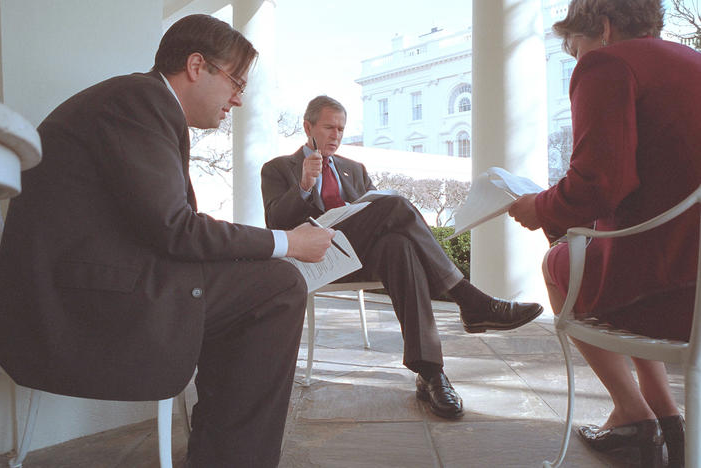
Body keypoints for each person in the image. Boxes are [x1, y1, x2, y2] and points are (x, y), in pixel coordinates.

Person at [0, 15, 336, 468]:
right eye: (235, 82)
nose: (237, 99)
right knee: (278, 285)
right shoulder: (140, 100)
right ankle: (233, 457)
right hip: (71, 307)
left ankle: (223, 447)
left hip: (84, 287)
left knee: (257, 283)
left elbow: (164, 226)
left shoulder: (137, 102)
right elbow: (177, 228)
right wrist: (288, 243)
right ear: (197, 66)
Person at [261, 95, 544, 419]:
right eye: (328, 127)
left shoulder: (354, 169)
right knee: (395, 204)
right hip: (314, 261)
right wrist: (304, 185)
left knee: (399, 246)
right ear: (308, 127)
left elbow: (372, 217)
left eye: (341, 128)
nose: (336, 135)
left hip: (358, 258)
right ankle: (468, 298)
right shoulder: (278, 168)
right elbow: (276, 224)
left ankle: (430, 372)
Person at [508, 0, 701, 466]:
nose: (577, 59)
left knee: (560, 266)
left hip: (673, 292)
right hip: (690, 271)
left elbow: (598, 185)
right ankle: (668, 418)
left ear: (606, 28)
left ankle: (634, 412)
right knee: (613, 269)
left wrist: (539, 207)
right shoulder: (692, 61)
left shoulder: (608, 64)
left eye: (574, 48)